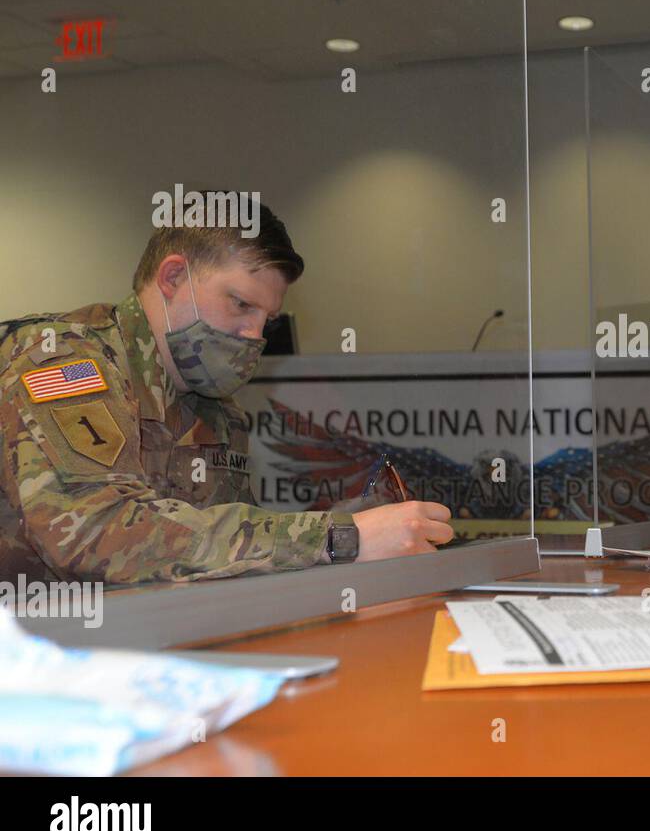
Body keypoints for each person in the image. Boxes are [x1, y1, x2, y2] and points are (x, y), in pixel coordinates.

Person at [0, 201, 454, 584]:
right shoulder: (66, 359)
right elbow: (92, 530)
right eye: (241, 304)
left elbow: (219, 557)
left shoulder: (216, 411)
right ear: (173, 277)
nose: (254, 335)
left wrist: (354, 527)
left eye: (267, 320)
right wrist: (339, 537)